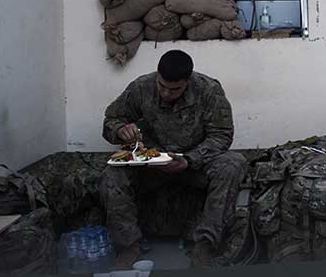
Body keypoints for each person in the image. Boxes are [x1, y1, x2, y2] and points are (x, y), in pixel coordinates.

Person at [100, 50, 247, 268]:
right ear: (157, 76)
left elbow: (222, 135)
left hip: (194, 163)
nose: (167, 93)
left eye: (175, 89)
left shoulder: (209, 90)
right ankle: (129, 246)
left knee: (234, 164)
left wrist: (189, 159)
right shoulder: (142, 87)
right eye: (162, 87)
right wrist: (121, 130)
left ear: (188, 81)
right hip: (152, 163)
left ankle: (204, 246)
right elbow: (111, 119)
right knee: (112, 175)